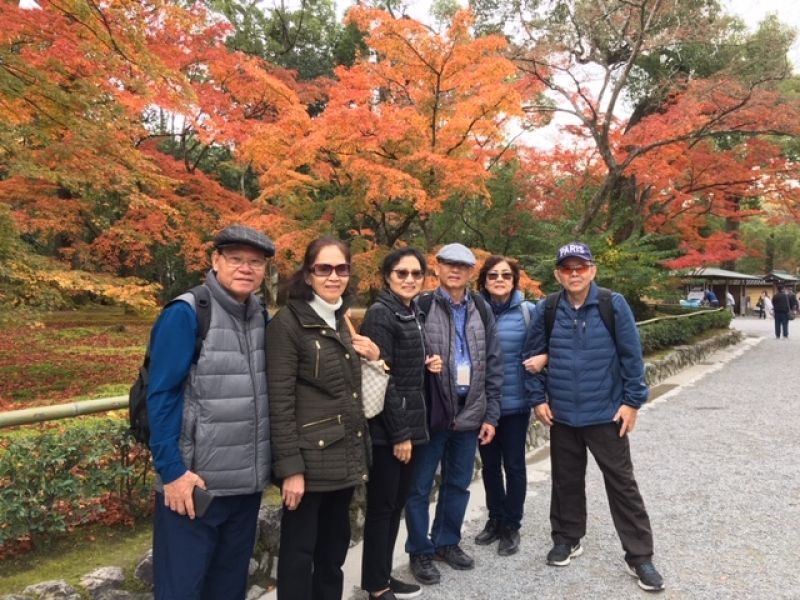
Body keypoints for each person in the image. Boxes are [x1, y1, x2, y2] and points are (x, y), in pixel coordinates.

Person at [525, 241, 665, 592]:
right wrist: (537, 398)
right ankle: (567, 537)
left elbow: (632, 357)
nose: (574, 274)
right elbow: (533, 355)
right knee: (565, 481)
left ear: (592, 270)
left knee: (622, 484)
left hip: (605, 413)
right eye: (567, 268)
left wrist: (633, 402)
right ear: (558, 273)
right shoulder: (549, 308)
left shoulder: (611, 304)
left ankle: (640, 556)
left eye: (580, 267)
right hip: (563, 415)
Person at [147, 224, 274, 600]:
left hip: (245, 487)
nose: (245, 268)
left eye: (255, 262)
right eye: (235, 259)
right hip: (194, 488)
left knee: (229, 588)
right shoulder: (187, 312)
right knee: (182, 590)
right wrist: (172, 472)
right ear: (215, 260)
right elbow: (162, 395)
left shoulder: (258, 315)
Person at [267, 237, 379, 600]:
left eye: (341, 268)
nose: (334, 276)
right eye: (324, 268)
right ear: (308, 273)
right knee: (299, 556)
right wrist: (291, 469)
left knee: (333, 552)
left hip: (343, 456)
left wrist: (375, 355)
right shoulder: (288, 324)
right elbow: (280, 400)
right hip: (307, 463)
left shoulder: (342, 318)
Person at [404, 243, 502, 586]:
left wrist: (491, 414)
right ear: (438, 267)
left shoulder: (480, 307)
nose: (455, 270)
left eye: (463, 265)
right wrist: (422, 363)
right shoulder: (422, 304)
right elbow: (403, 356)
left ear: (471, 271)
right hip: (433, 412)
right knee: (419, 487)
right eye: (449, 264)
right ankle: (420, 549)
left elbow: (492, 362)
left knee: (458, 484)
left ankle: (446, 541)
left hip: (470, 411)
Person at [359, 248, 430, 600]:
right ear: (387, 276)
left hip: (413, 422)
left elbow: (406, 364)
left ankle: (382, 574)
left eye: (416, 274)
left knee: (394, 507)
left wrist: (429, 360)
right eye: (401, 273)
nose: (409, 279)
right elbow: (380, 376)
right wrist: (400, 433)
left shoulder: (412, 311)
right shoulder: (380, 315)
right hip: (390, 431)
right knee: (382, 508)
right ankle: (375, 584)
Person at [473, 256, 548, 557]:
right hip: (482, 406)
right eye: (493, 275)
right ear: (484, 281)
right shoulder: (473, 311)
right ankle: (495, 518)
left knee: (514, 466)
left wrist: (545, 358)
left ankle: (512, 525)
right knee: (489, 466)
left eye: (506, 275)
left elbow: (550, 345)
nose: (500, 279)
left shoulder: (529, 311)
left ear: (515, 280)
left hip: (516, 404)